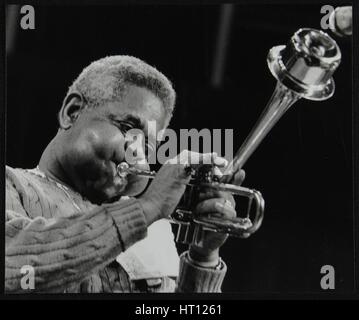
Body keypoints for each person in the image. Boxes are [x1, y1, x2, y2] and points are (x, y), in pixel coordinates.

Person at [5, 55, 244, 293]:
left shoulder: (156, 231)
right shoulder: (12, 184)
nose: (136, 152)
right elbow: (16, 271)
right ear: (72, 112)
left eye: (148, 147)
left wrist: (203, 257)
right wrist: (147, 208)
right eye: (128, 129)